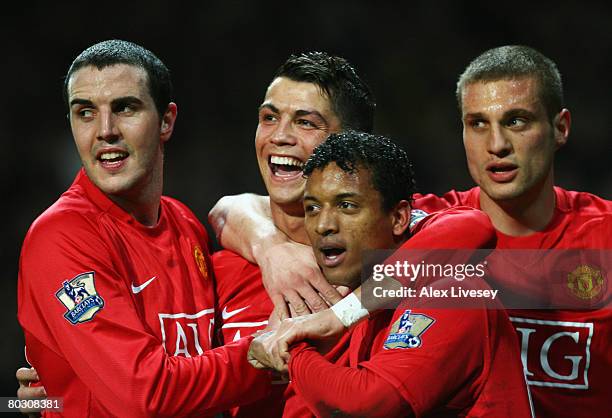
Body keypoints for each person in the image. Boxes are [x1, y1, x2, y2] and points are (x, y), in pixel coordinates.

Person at [222, 46, 612, 418]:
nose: (497, 145)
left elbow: (472, 227)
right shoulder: (399, 230)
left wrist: (336, 317)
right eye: (477, 124)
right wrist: (270, 245)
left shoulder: (440, 237)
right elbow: (231, 208)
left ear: (560, 128)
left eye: (516, 121)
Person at [16, 40, 272, 417]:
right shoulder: (60, 237)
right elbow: (144, 396)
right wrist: (264, 357)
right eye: (85, 112)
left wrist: (271, 242)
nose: (105, 131)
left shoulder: (185, 225)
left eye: (124, 108)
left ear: (166, 120)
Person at [248, 131, 531, 417]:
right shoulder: (367, 296)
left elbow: (366, 406)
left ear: (398, 218)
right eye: (312, 208)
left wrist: (292, 350)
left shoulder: (451, 291)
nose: (324, 225)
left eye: (347, 206)